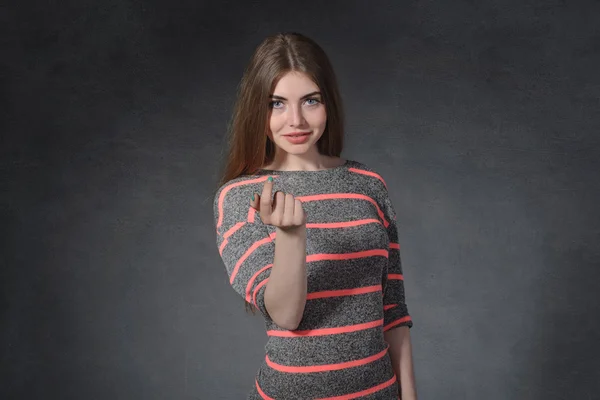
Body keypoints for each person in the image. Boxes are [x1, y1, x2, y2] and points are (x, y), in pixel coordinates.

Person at [213, 32, 417, 399]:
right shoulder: (240, 197)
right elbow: (287, 316)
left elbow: (394, 310)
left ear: (328, 103)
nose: (296, 120)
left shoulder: (368, 184)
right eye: (276, 104)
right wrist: (293, 237)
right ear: (256, 109)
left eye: (310, 101)